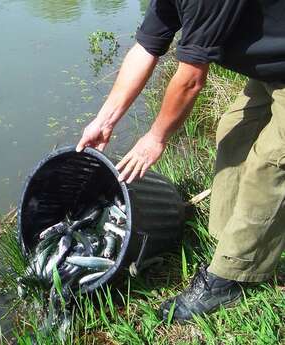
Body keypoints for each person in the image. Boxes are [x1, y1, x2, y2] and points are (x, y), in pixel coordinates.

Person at [76, 0, 285, 322]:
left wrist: (155, 137)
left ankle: (231, 277)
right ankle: (231, 239)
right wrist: (104, 121)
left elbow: (190, 79)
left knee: (271, 164)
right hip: (274, 71)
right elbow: (146, 48)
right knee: (234, 133)